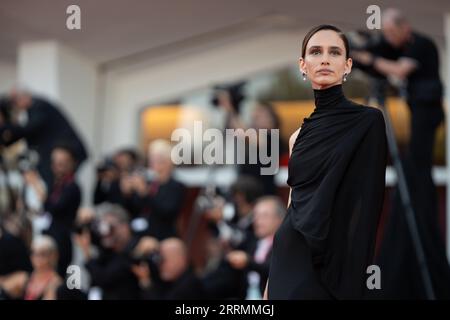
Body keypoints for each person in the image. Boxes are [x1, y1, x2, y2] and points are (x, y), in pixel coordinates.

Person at [265, 25, 387, 300]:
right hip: (290, 252)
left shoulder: (367, 122)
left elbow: (366, 204)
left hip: (335, 261)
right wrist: (270, 283)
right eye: (315, 52)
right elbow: (294, 201)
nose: (324, 59)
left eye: (334, 52)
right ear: (303, 65)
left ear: (347, 65)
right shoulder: (297, 137)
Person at [352, 8, 450, 299]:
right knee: (411, 165)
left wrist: (369, 58)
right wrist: (361, 54)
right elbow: (380, 62)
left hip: (428, 113)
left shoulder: (421, 44)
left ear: (403, 27)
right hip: (417, 112)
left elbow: (398, 70)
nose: (390, 40)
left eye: (392, 34)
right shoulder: (397, 46)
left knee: (417, 164)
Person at [0, 89, 88, 188]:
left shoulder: (39, 106)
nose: (16, 107)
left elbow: (29, 130)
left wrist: (5, 128)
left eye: (15, 103)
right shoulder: (33, 110)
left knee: (59, 184)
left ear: (23, 98)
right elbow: (27, 134)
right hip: (60, 152)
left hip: (70, 152)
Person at [75, 203, 140, 300]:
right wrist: (85, 221)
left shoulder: (136, 248)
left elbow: (104, 278)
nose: (107, 232)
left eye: (111, 227)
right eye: (104, 226)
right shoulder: (109, 249)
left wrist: (87, 252)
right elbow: (81, 232)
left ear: (125, 227)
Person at [132, 237, 204, 300]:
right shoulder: (176, 280)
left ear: (179, 259)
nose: (160, 265)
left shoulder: (189, 284)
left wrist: (146, 282)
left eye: (164, 260)